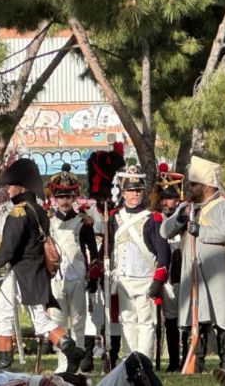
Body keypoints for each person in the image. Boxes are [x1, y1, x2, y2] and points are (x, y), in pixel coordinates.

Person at [0, 158, 85, 372]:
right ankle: (72, 350)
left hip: (20, 273)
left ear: (20, 187)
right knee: (40, 320)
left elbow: (9, 247)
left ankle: (3, 361)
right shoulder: (39, 210)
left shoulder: (18, 212)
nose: (9, 190)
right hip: (36, 272)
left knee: (1, 314)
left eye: (11, 186)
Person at [160, 155, 225, 373]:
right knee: (195, 318)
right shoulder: (188, 208)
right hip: (191, 271)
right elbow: (164, 231)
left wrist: (201, 231)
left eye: (193, 184)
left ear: (206, 186)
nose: (189, 188)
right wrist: (180, 218)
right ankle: (197, 364)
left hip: (219, 271)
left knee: (224, 317)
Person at [106, 164, 171, 360]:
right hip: (123, 279)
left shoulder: (153, 219)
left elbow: (163, 252)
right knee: (127, 320)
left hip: (145, 279)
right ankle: (129, 359)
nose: (135, 194)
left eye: (138, 191)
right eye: (131, 191)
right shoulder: (114, 218)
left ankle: (143, 360)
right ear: (123, 193)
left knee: (146, 322)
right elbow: (109, 250)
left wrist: (158, 280)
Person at [44, 163, 100, 373]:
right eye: (60, 196)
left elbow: (93, 252)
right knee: (58, 323)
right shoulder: (48, 222)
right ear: (54, 198)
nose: (64, 201)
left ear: (74, 197)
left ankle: (75, 367)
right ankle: (62, 365)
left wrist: (93, 277)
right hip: (55, 279)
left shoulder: (83, 222)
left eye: (68, 196)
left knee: (78, 323)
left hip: (77, 278)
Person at [84, 142, 126, 367]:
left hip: (116, 267)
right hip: (92, 271)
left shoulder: (120, 214)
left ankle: (113, 354)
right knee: (94, 313)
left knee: (114, 314)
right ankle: (88, 355)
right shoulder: (87, 213)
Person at [149, 162, 184, 372]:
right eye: (162, 198)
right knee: (169, 321)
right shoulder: (155, 220)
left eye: (169, 197)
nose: (165, 202)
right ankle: (173, 361)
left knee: (187, 320)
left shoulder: (185, 217)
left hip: (184, 273)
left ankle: (191, 358)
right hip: (166, 275)